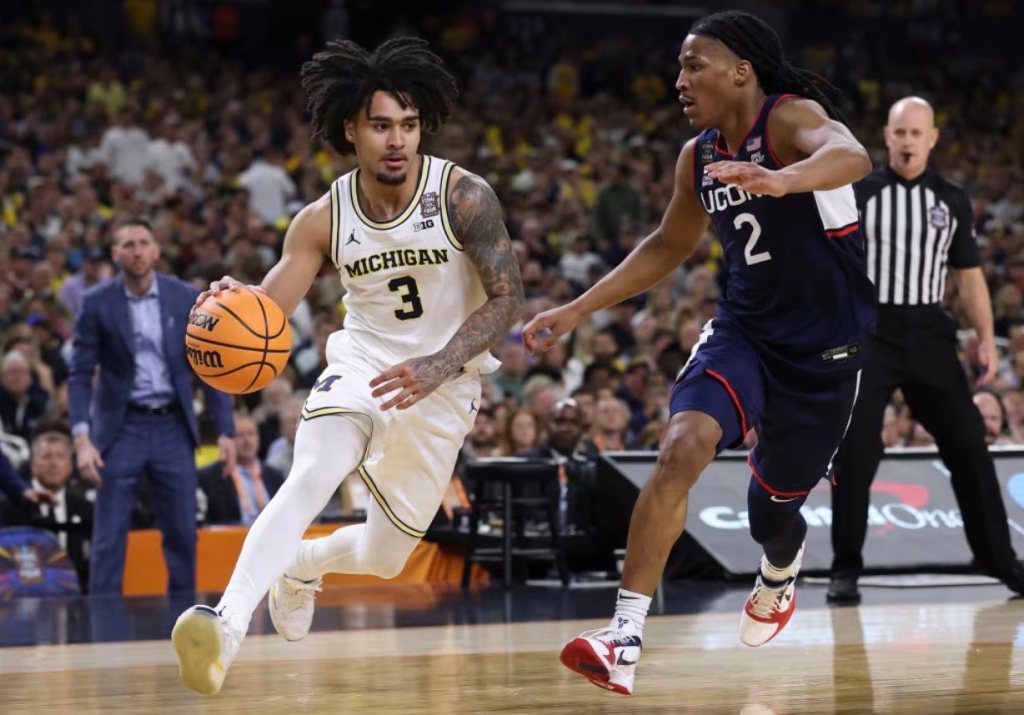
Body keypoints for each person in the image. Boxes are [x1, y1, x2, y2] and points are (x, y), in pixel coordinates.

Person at [523, 11, 875, 696]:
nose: (679, 80)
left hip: (824, 352)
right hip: (745, 332)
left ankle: (781, 568)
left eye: (694, 64)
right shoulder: (699, 156)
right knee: (681, 446)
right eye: (679, 67)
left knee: (771, 514)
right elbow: (667, 244)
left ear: (741, 71)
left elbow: (853, 154)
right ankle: (623, 635)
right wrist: (577, 309)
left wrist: (785, 179)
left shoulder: (789, 118)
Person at [171, 37, 524, 696]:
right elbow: (269, 309)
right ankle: (226, 623)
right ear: (351, 130)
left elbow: (509, 298)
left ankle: (302, 564)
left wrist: (439, 363)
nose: (398, 140)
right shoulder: (322, 219)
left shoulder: (463, 196)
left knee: (387, 557)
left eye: (409, 125)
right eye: (382, 125)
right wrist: (235, 303)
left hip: (444, 385)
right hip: (363, 365)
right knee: (312, 473)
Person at [827, 97, 1024, 604]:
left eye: (917, 132)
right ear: (887, 136)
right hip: (871, 331)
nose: (908, 141)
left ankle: (1000, 561)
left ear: (932, 139)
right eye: (900, 132)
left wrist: (986, 337)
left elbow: (969, 275)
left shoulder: (951, 199)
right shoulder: (860, 193)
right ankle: (845, 568)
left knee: (969, 445)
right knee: (856, 450)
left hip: (930, 331)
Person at [68, 217, 236, 596]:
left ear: (156, 250)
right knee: (109, 536)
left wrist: (225, 431)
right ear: (115, 253)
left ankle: (183, 620)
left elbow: (209, 366)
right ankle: (104, 623)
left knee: (182, 533)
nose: (137, 252)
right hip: (121, 427)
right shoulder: (96, 303)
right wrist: (82, 438)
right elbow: (79, 374)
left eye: (144, 243)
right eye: (128, 245)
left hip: (173, 425)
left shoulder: (185, 297)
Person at [2, 431, 93, 590]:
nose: (53, 464)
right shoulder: (8, 508)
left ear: (71, 465)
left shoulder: (87, 510)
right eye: (46, 457)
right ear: (32, 464)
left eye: (60, 457)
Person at [198, 412, 285, 525]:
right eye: (240, 435)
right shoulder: (209, 478)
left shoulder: (274, 475)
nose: (247, 440)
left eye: (251, 434)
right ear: (228, 440)